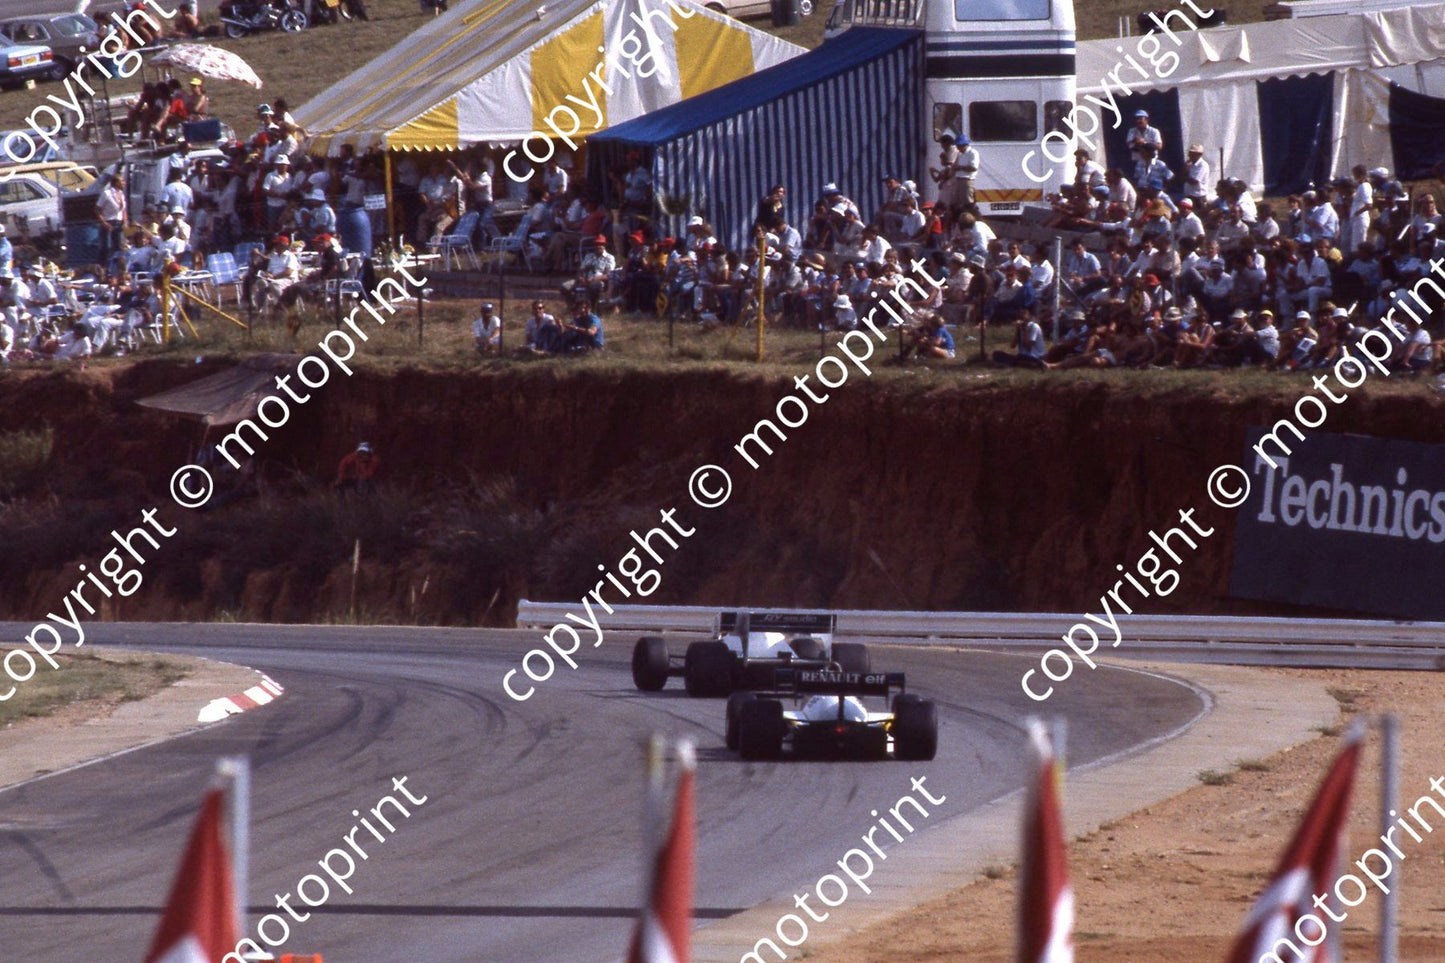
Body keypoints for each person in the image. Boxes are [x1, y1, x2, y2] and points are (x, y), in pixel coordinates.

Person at [98, 175, 128, 269]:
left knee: (118, 247)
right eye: (121, 181)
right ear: (116, 183)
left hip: (118, 222)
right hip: (108, 221)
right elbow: (97, 209)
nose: (124, 183)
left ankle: (117, 268)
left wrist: (125, 220)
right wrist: (104, 222)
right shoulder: (107, 194)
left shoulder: (121, 194)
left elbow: (123, 210)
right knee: (106, 247)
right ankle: (104, 268)